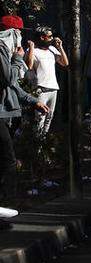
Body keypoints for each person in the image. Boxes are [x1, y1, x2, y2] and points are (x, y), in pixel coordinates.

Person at [1, 15, 50, 222]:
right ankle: (8, 205)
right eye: (18, 33)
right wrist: (18, 58)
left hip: (7, 113)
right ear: (12, 33)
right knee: (9, 161)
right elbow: (9, 78)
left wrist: (32, 101)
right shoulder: (3, 50)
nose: (20, 38)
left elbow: (14, 87)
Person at [24, 26, 69, 135]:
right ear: (42, 37)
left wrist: (60, 48)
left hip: (53, 88)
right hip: (40, 89)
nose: (52, 38)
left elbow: (65, 63)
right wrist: (31, 48)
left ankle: (43, 142)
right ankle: (36, 145)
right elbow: (29, 66)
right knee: (39, 119)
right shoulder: (33, 50)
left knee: (49, 118)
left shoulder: (52, 50)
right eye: (49, 36)